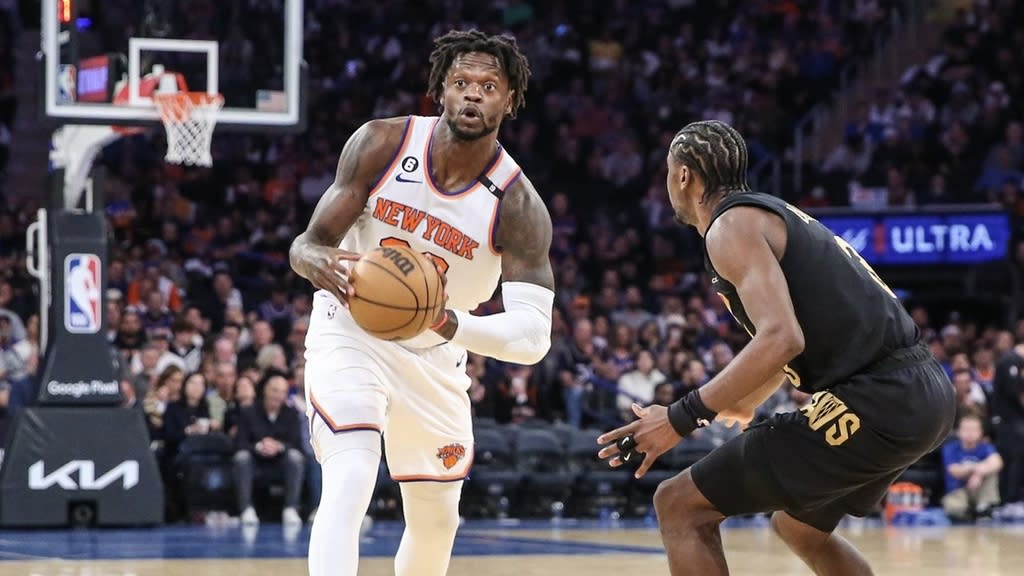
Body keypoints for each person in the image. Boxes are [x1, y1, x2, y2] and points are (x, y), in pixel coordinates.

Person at [597, 120, 956, 576]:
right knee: (799, 528)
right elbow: (794, 335)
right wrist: (746, 401)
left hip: (879, 397)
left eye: (668, 172)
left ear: (684, 176)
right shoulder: (766, 213)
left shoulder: (730, 226)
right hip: (924, 393)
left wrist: (680, 417)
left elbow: (782, 337)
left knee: (678, 504)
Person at [289, 30, 554, 576]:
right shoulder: (382, 143)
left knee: (436, 521)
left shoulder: (519, 204)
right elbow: (308, 243)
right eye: (461, 83)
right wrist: (312, 259)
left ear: (509, 100)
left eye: (488, 86)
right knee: (352, 470)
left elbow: (533, 337)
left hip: (435, 354)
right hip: (351, 327)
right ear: (440, 90)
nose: (473, 95)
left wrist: (446, 322)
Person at [233, 373, 305, 525]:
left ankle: (291, 508)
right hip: (255, 462)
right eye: (274, 390)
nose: (278, 396)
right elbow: (239, 443)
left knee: (296, 457)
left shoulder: (291, 414)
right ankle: (246, 509)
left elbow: (296, 444)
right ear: (265, 390)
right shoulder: (249, 412)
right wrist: (258, 446)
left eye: (282, 392)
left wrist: (279, 446)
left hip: (280, 462)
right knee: (241, 458)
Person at [941, 412, 1002, 521]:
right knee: (954, 509)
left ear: (981, 432)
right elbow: (954, 470)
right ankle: (967, 513)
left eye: (974, 430)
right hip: (957, 490)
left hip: (979, 490)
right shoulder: (950, 448)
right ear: (958, 432)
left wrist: (979, 473)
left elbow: (997, 462)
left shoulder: (985, 447)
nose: (970, 433)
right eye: (966, 429)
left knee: (992, 472)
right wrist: (977, 469)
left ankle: (984, 507)